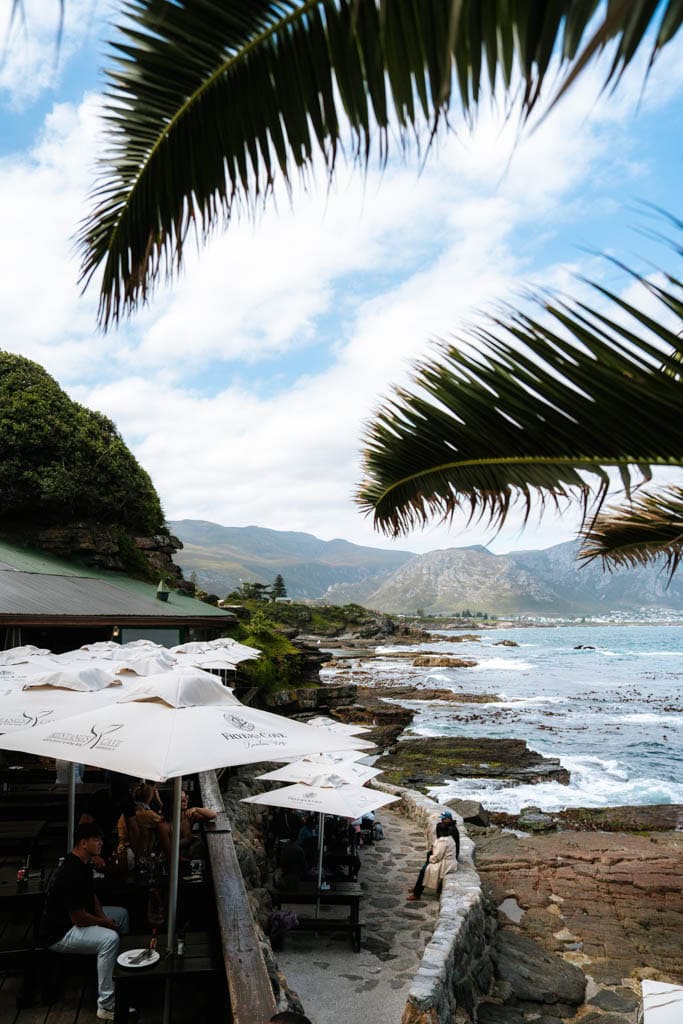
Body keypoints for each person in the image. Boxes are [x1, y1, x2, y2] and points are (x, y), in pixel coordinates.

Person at [39, 823, 130, 1021]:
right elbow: (78, 918)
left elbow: (92, 896)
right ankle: (106, 1004)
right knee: (110, 939)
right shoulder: (71, 871)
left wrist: (104, 919)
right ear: (83, 843)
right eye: (96, 840)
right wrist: (104, 924)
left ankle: (118, 975)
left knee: (121, 915)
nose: (101, 843)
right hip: (60, 932)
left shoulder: (84, 863)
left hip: (76, 920)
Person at [407, 820, 458, 902]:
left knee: (424, 870)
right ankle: (417, 889)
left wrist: (430, 859)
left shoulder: (443, 841)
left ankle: (417, 893)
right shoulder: (449, 838)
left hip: (445, 864)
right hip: (448, 862)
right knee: (425, 869)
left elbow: (437, 856)